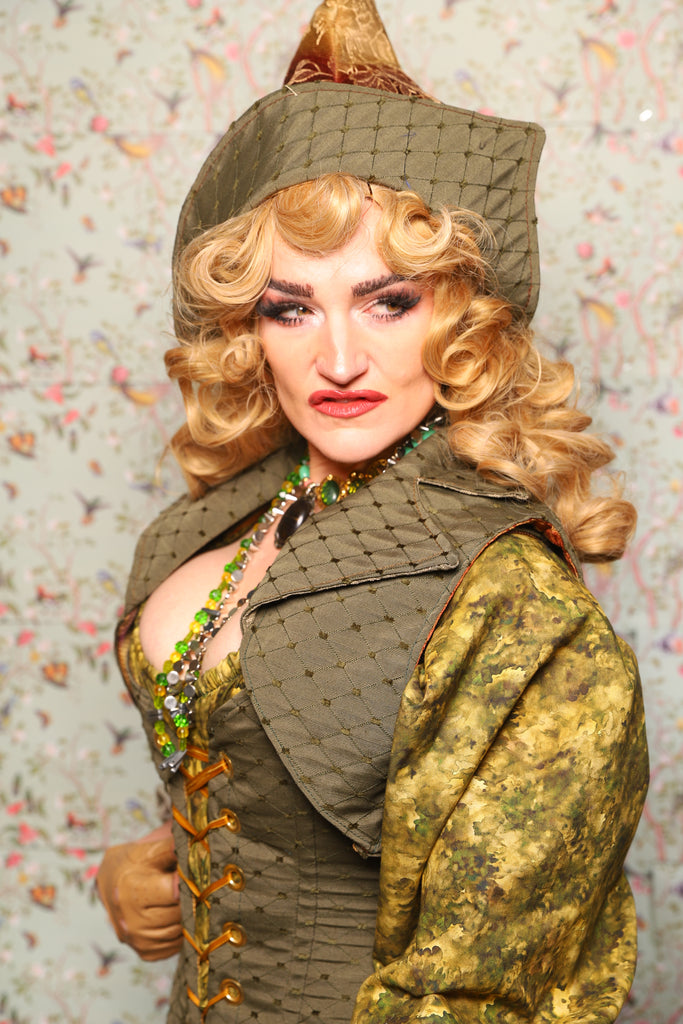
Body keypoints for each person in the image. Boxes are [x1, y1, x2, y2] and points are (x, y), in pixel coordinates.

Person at [96, 2, 649, 1022]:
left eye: (387, 300)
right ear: (248, 326)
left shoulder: (513, 607)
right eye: (290, 306)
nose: (339, 358)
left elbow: (482, 990)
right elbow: (255, 791)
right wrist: (137, 871)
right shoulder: (216, 523)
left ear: (460, 316)